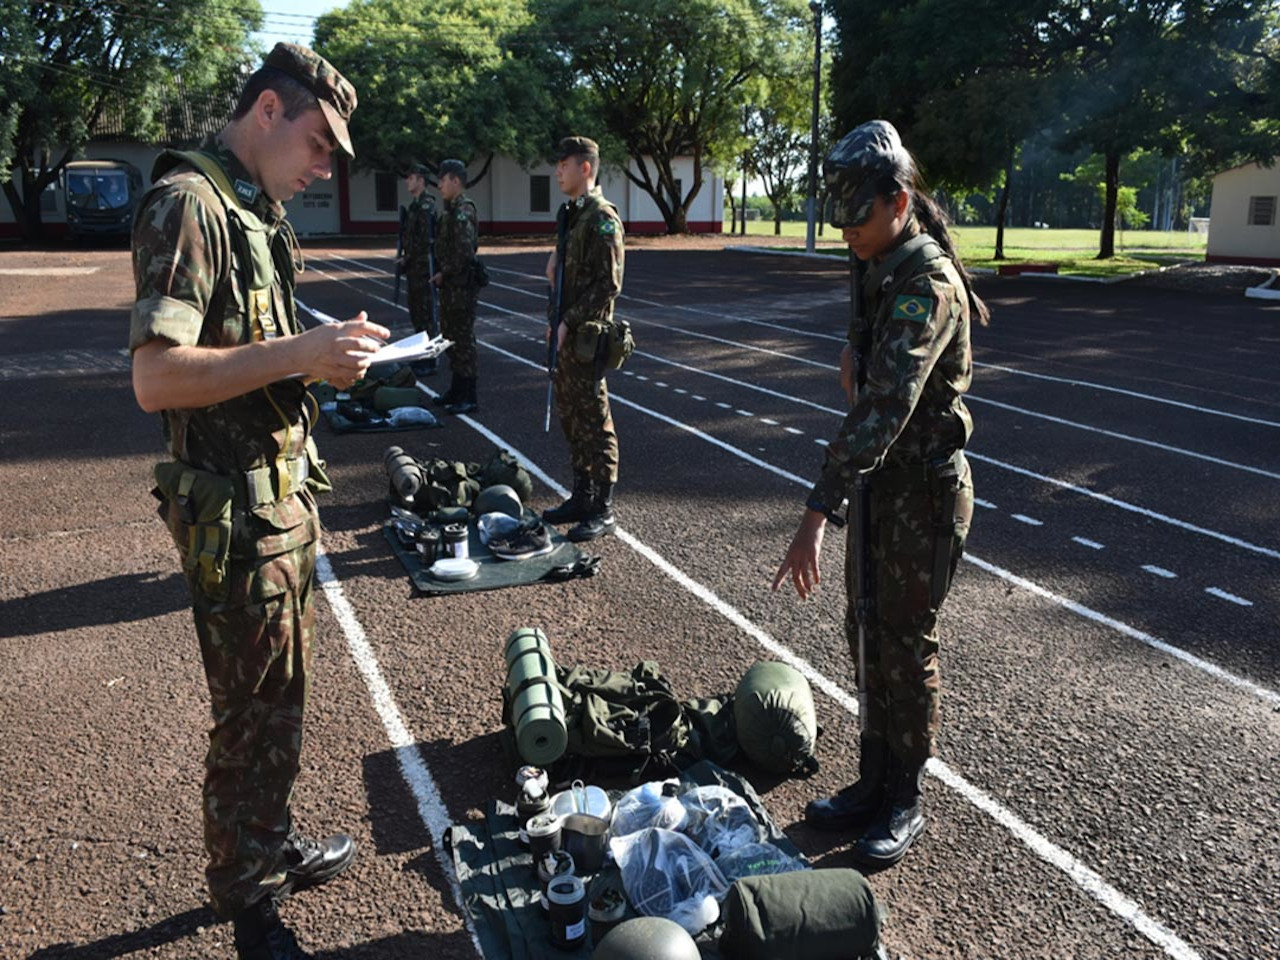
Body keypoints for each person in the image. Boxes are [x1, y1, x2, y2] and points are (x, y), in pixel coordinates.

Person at [129, 43, 388, 960]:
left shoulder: (253, 209)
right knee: (250, 713)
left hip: (275, 503)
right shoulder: (189, 207)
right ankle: (249, 904)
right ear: (268, 112)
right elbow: (156, 379)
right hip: (233, 520)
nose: (324, 167)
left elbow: (258, 354)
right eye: (319, 143)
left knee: (279, 701)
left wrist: (327, 360)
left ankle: (265, 848)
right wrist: (298, 353)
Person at [771, 120, 986, 868]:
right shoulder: (877, 260)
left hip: (918, 495)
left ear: (899, 200)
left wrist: (813, 515)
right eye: (839, 217)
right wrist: (851, 344)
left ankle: (904, 795)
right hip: (879, 488)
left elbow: (882, 412)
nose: (846, 232)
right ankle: (871, 780)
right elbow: (864, 361)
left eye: (857, 216)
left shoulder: (924, 285)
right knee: (865, 633)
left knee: (905, 647)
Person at [540, 136, 625, 542]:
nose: (557, 170)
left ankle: (603, 507)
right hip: (566, 333)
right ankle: (581, 495)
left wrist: (568, 322)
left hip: (586, 337)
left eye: (563, 164)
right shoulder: (570, 215)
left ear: (585, 168)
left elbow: (609, 284)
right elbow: (567, 277)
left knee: (595, 419)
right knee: (571, 417)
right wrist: (553, 315)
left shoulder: (601, 217)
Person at [430, 157, 482, 414]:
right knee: (450, 338)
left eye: (443, 179)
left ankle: (468, 394)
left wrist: (444, 272)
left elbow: (464, 252)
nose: (439, 185)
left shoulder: (463, 210)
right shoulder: (450, 209)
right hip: (451, 287)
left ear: (456, 181)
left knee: (462, 340)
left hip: (460, 286)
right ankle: (456, 389)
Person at [400, 162, 437, 376]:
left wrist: (411, 257)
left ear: (421, 181)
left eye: (411, 177)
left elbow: (425, 241)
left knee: (426, 316)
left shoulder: (426, 206)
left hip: (424, 270)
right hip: (414, 269)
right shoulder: (414, 206)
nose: (408, 181)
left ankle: (429, 360)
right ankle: (421, 356)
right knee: (417, 315)